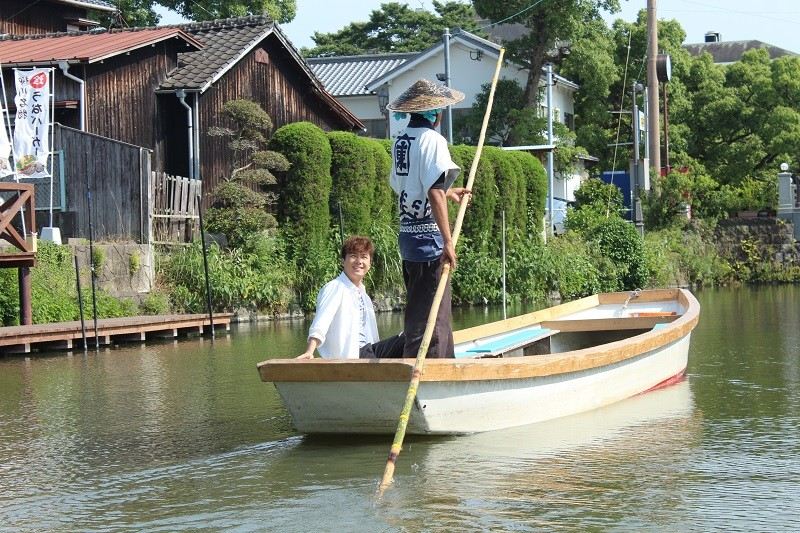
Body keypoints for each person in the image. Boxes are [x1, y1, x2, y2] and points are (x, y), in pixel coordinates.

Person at [387, 79, 471, 358]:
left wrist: (448, 193)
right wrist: (448, 241)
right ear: (436, 113)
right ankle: (431, 370)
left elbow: (408, 187)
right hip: (429, 242)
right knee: (435, 317)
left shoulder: (401, 140)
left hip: (408, 239)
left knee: (419, 310)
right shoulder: (433, 140)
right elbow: (432, 190)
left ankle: (428, 362)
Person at [296, 235, 404, 359]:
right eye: (353, 256)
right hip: (350, 355)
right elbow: (321, 321)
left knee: (414, 338)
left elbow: (372, 337)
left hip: (369, 353)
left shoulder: (364, 295)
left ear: (370, 263)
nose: (359, 261)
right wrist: (310, 351)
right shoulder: (335, 287)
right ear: (343, 261)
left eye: (364, 257)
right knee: (410, 338)